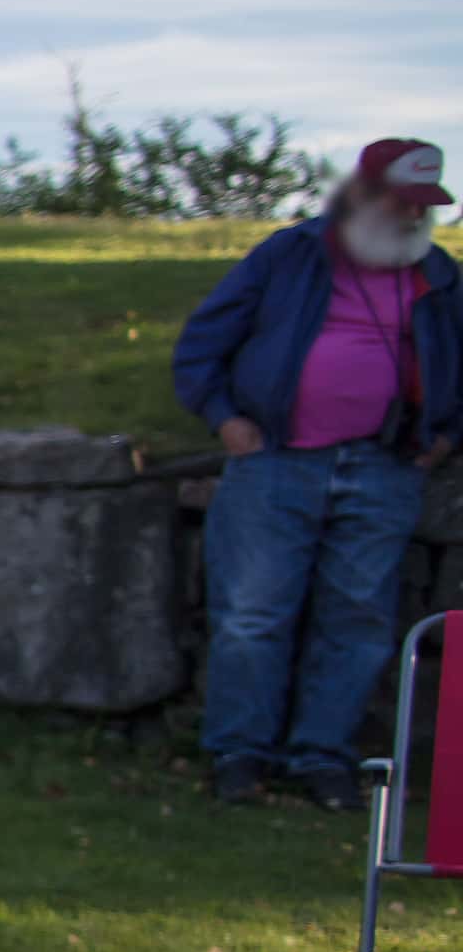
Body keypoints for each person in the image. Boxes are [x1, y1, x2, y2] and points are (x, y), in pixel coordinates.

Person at [173, 138, 462, 807]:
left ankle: (323, 758)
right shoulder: (291, 256)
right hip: (274, 460)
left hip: (385, 466)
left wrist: (443, 437)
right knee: (251, 614)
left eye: (425, 205)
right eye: (402, 200)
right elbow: (203, 344)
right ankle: (240, 757)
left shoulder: (439, 277)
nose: (413, 216)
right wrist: (225, 418)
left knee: (358, 619)